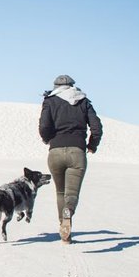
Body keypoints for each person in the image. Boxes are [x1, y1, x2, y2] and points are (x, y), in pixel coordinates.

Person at [39, 75, 103, 243]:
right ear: (73, 86)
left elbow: (44, 126)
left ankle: (64, 229)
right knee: (71, 194)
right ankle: (69, 211)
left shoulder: (50, 101)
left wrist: (48, 140)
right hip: (77, 152)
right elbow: (96, 127)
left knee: (60, 192)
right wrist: (92, 145)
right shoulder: (83, 100)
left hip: (56, 153)